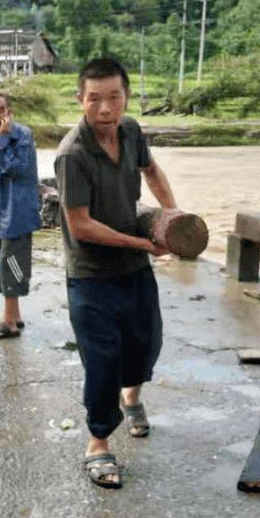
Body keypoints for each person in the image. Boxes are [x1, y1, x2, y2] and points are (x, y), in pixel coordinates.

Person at [55, 57, 178, 488]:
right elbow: (80, 224)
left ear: (126, 97)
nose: (105, 109)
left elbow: (152, 169)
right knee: (102, 358)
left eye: (114, 97)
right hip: (91, 275)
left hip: (134, 268)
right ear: (80, 99)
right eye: (95, 99)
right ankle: (98, 442)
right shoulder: (72, 154)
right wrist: (146, 243)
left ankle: (132, 399)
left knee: (146, 344)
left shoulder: (131, 131)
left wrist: (172, 214)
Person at [0, 91, 42, 339]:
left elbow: (17, 170)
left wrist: (3, 140)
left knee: (11, 262)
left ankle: (10, 321)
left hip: (15, 211)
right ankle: (12, 314)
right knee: (1, 263)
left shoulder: (21, 135)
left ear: (9, 111)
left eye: (0, 109)